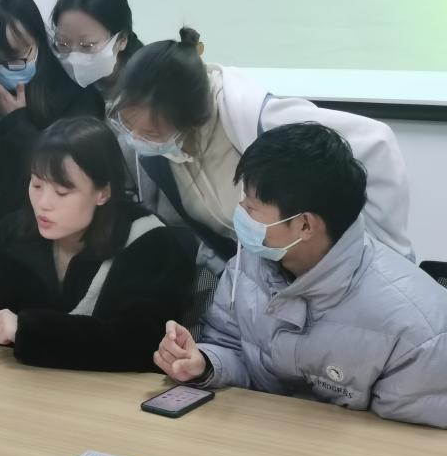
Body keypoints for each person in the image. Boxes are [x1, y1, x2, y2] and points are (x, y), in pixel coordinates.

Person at [154, 123, 447, 428]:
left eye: (251, 207)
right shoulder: (246, 267)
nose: (239, 212)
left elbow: (410, 443)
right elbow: (232, 349)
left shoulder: (416, 330)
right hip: (262, 438)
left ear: (305, 225)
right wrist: (204, 362)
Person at [110, 27, 412, 270]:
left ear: (189, 121)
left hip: (325, 273)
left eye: (150, 133)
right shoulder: (157, 153)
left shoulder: (255, 118)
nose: (136, 139)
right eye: (127, 124)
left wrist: (389, 255)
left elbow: (377, 141)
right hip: (256, 281)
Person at [0, 117, 194, 371]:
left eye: (62, 192)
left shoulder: (147, 241)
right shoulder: (14, 233)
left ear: (102, 192)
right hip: (25, 386)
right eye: (37, 184)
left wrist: (29, 330)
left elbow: (140, 342)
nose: (43, 203)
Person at [0, 0, 103, 300]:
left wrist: (17, 122)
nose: (0, 71)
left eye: (15, 59)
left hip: (35, 262)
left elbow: (69, 175)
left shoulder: (75, 99)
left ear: (39, 45)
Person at [50, 0, 143, 104]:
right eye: (63, 44)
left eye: (87, 46)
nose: (73, 59)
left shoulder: (148, 88)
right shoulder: (57, 77)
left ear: (122, 40)